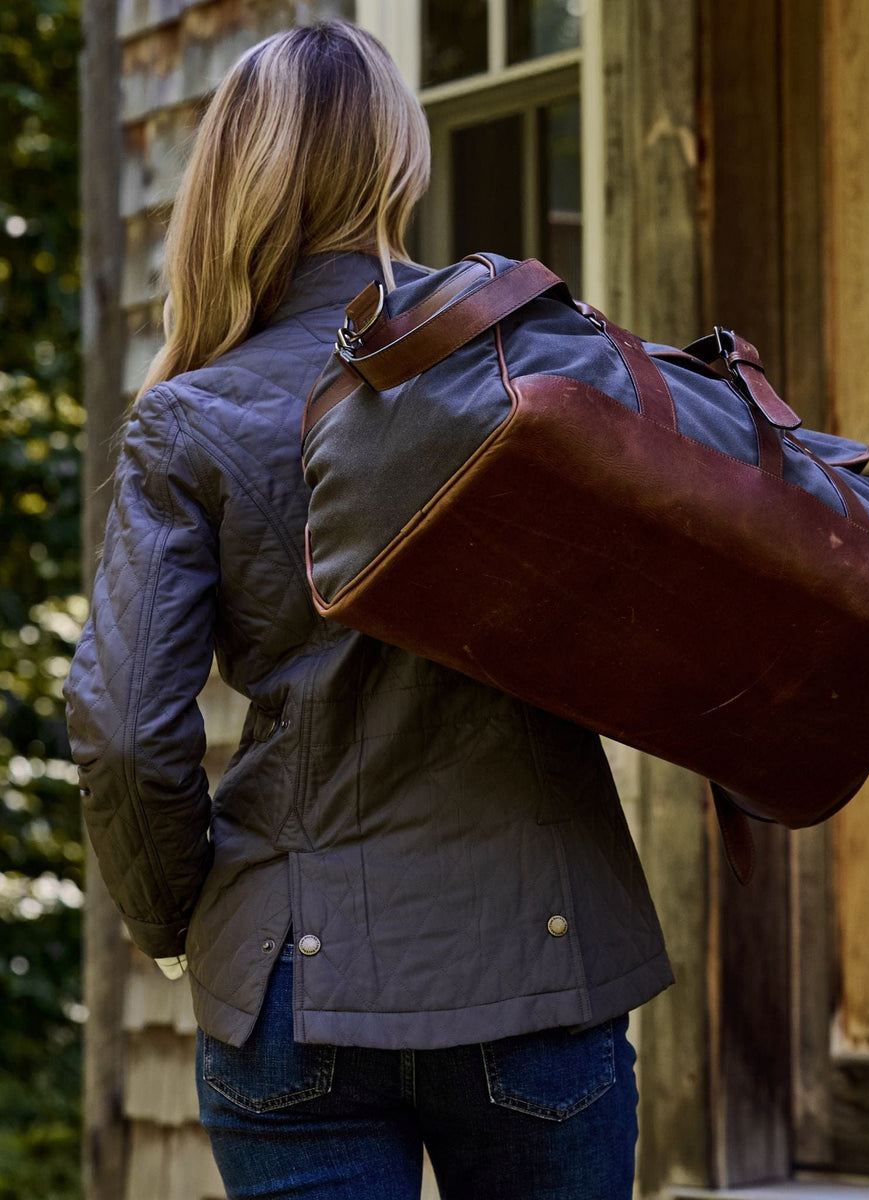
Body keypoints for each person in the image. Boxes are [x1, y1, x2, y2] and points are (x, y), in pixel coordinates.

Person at [63, 20, 672, 1200]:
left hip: (294, 977)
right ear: (398, 166)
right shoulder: (525, 361)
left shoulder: (188, 418)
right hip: (537, 956)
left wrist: (187, 920)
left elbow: (131, 736)